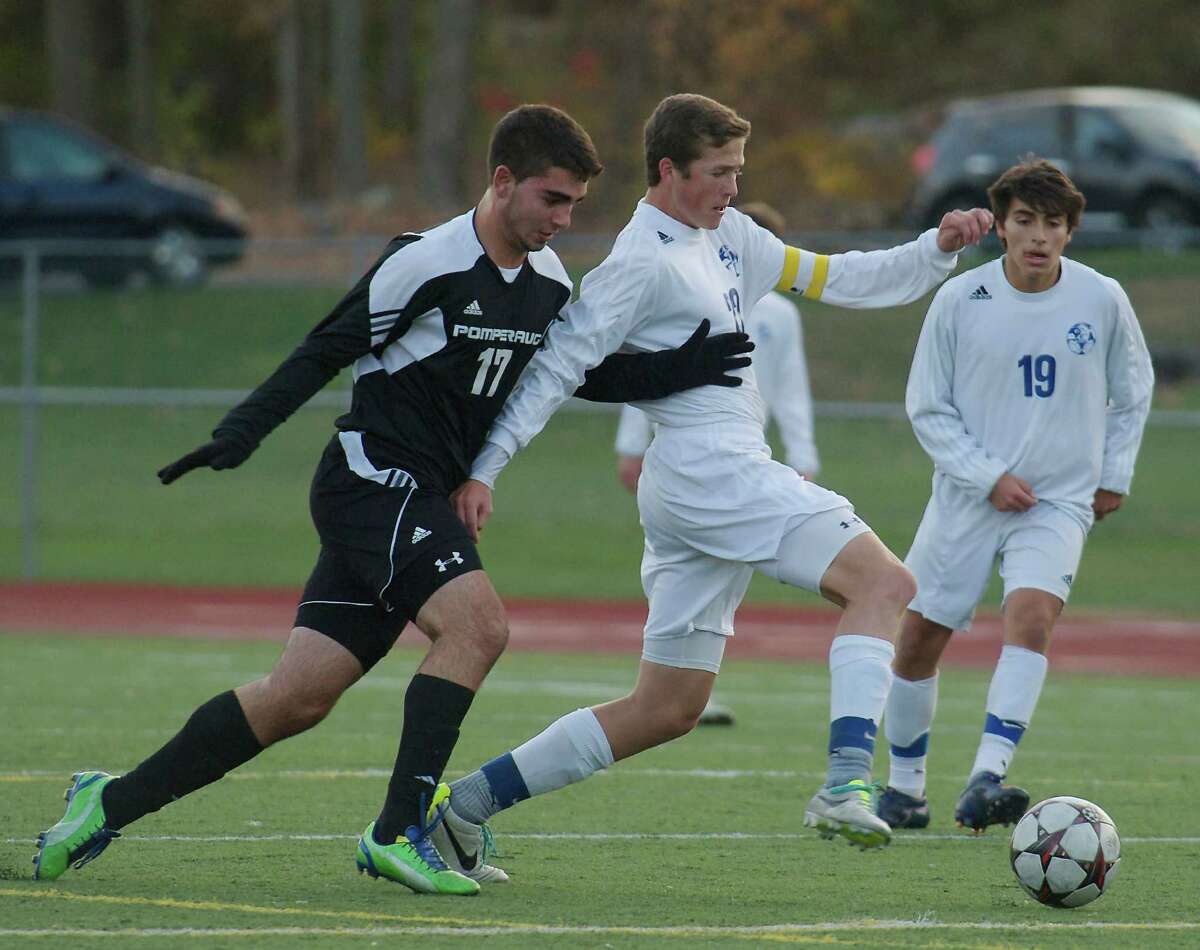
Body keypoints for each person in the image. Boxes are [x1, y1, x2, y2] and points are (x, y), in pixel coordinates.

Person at [31, 104, 754, 894]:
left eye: (575, 204)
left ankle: (107, 801)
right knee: (478, 628)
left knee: (296, 698)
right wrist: (242, 433)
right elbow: (328, 346)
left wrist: (681, 365)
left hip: (419, 502)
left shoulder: (545, 282)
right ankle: (399, 832)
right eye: (552, 198)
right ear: (502, 181)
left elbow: (578, 374)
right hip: (372, 480)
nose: (563, 218)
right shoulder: (426, 261)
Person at [434, 93, 992, 874]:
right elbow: (556, 368)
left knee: (665, 709)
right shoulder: (639, 259)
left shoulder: (731, 235)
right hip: (708, 469)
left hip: (700, 480)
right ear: (668, 170)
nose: (733, 186)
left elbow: (841, 278)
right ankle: (843, 784)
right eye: (718, 172)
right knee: (885, 583)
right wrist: (483, 471)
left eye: (739, 170)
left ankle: (463, 808)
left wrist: (935, 249)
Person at [878, 159, 1154, 834]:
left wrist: (1113, 473)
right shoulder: (959, 299)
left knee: (1031, 617)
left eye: (1052, 224)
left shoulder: (1102, 298)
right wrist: (987, 475)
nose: (1038, 236)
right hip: (968, 498)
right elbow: (928, 407)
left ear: (1070, 231)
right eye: (1024, 221)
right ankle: (905, 789)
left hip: (1059, 500)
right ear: (999, 227)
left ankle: (985, 779)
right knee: (918, 639)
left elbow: (1134, 388)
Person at [614, 200, 819, 727]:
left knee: (731, 572)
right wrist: (631, 444)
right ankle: (672, 677)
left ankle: (694, 681)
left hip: (749, 456)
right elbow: (648, 368)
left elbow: (791, 388)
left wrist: (803, 454)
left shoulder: (780, 314)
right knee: (674, 568)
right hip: (688, 454)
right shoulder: (688, 288)